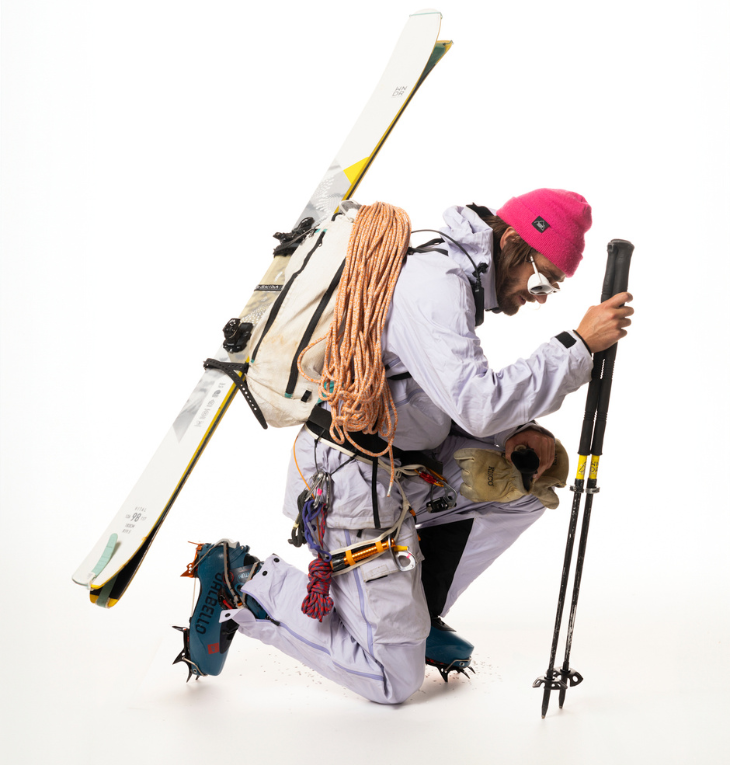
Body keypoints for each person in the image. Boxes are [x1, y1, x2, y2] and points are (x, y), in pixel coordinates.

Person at [173, 188, 634, 704]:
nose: (538, 295)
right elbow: (475, 403)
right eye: (543, 279)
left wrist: (516, 435)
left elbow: (427, 400)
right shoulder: (437, 284)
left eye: (552, 288)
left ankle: (414, 609)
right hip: (351, 483)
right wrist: (575, 346)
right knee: (396, 680)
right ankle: (244, 580)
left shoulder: (452, 280)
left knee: (527, 487)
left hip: (398, 469)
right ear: (510, 244)